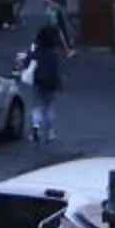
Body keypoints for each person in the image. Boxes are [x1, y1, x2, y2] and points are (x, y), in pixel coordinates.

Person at [24, 14, 67, 142]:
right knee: (49, 107)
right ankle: (49, 133)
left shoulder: (36, 49)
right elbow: (56, 70)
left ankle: (35, 128)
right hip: (50, 82)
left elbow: (27, 61)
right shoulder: (54, 53)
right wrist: (60, 83)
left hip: (37, 80)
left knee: (37, 106)